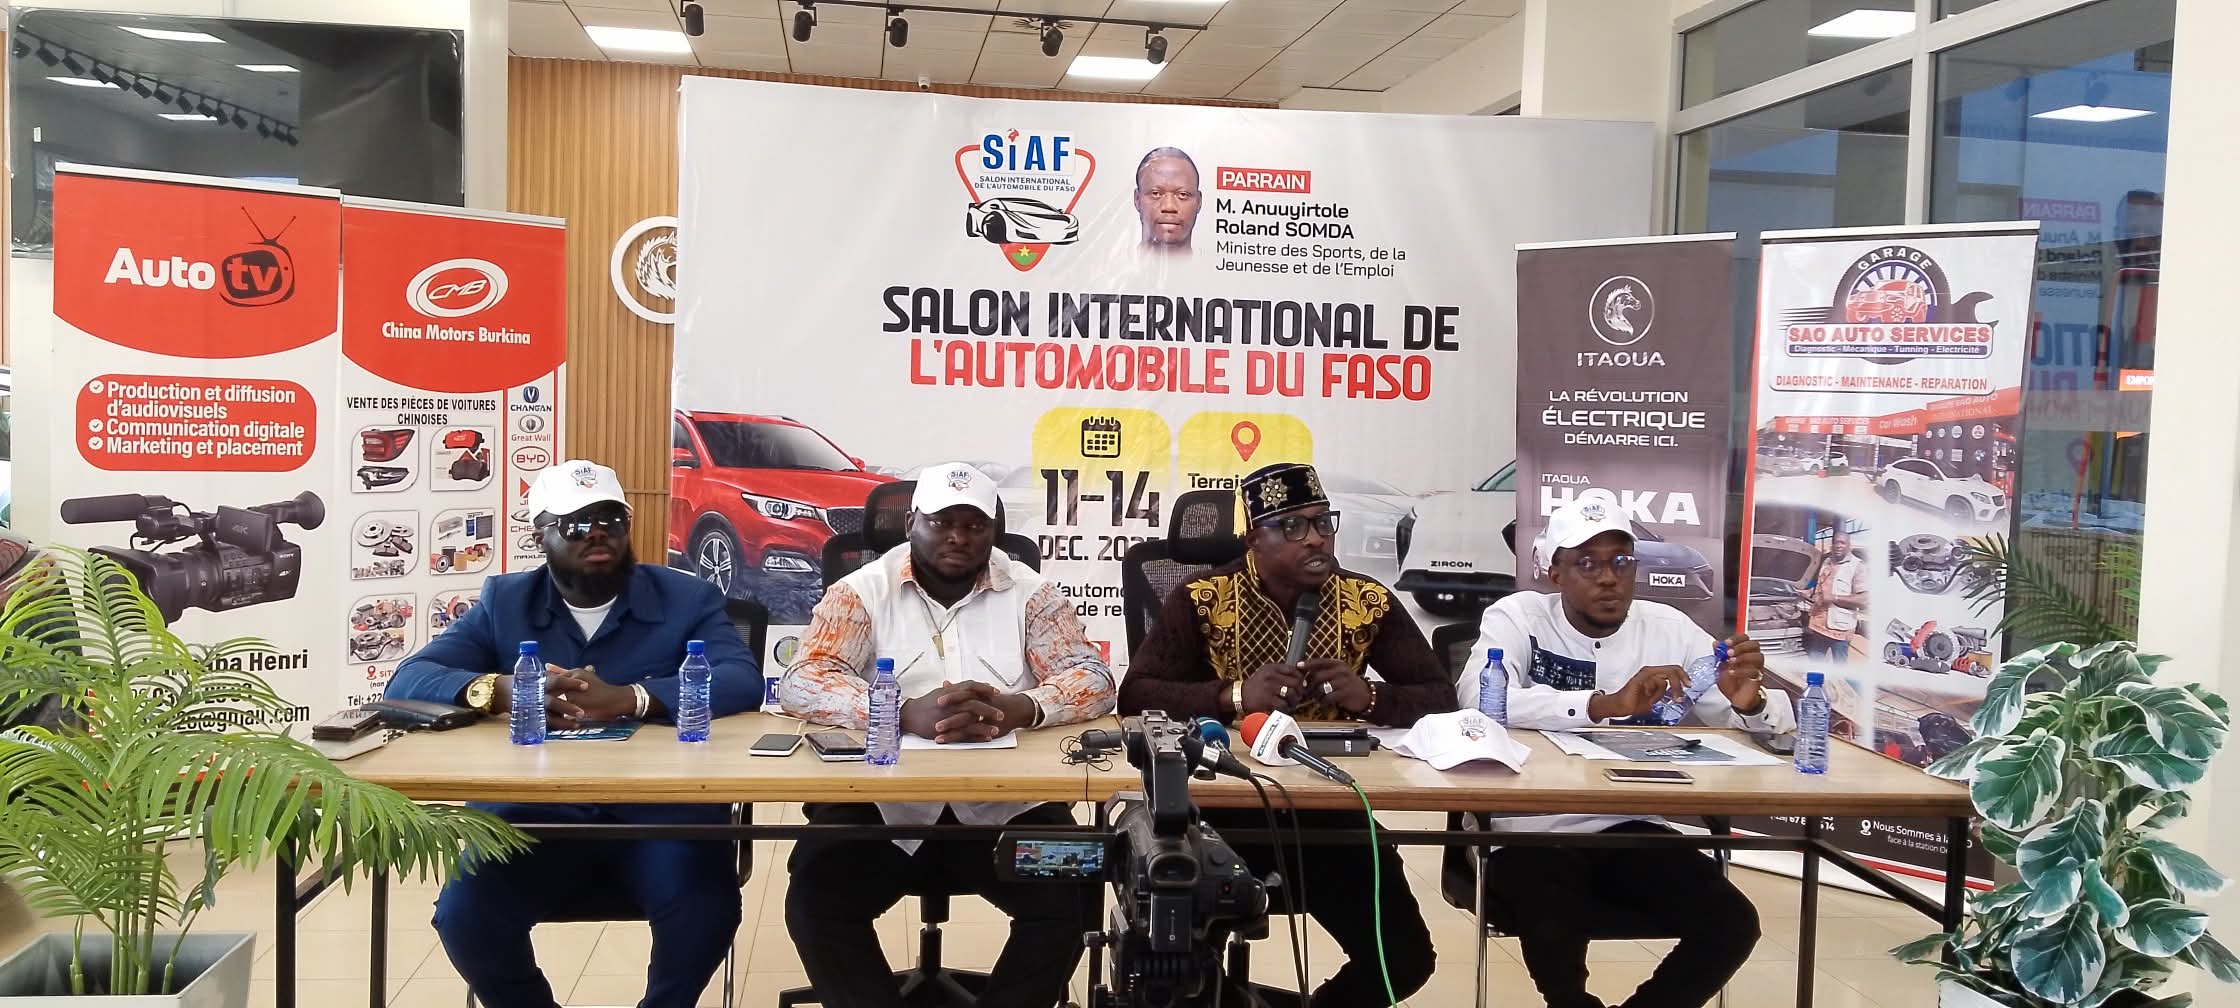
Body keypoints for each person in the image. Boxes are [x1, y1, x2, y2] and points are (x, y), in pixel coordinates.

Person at [384, 459, 759, 1008]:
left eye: (612, 520)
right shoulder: (505, 601)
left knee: (706, 911)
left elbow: (741, 679)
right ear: (540, 534)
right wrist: (499, 689)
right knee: (465, 916)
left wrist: (632, 697)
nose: (597, 534)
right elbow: (409, 678)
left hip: (661, 815)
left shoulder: (687, 598)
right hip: (533, 818)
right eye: (577, 524)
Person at [777, 463, 1115, 1008]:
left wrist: (1020, 707)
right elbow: (803, 680)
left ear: (993, 532)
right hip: (883, 808)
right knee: (817, 899)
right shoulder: (861, 591)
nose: (958, 537)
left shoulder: (1032, 594)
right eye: (941, 522)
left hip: (1008, 809)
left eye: (975, 525)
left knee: (1073, 896)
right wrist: (898, 711)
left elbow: (1092, 676)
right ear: (911, 523)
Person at [1122, 461, 1446, 1008]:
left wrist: (1369, 697)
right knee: (1177, 971)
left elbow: (1440, 697)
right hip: (1216, 813)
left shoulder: (1366, 601)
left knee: (1403, 961)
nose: (1316, 538)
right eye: (1293, 526)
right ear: (1254, 539)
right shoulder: (1203, 598)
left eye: (1322, 522)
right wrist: (1234, 696)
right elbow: (1136, 695)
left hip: (1330, 812)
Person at [1462, 495, 1796, 1008]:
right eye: (1587, 563)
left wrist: (1751, 703)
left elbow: (1768, 732)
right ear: (1555, 572)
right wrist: (1603, 704)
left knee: (1732, 922)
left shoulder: (1669, 628)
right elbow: (1480, 702)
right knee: (1554, 915)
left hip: (1630, 824)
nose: (1608, 578)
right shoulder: (1519, 616)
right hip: (1528, 828)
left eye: (1621, 561)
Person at [1803, 528, 1865, 665]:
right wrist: (1810, 592)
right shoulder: (1827, 561)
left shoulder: (1857, 566)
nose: (1838, 545)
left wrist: (1834, 598)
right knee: (1815, 665)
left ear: (1849, 545)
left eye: (1842, 543)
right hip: (1819, 625)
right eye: (1836, 542)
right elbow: (1822, 586)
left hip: (1840, 629)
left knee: (1839, 669)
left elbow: (1864, 599)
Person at [1134, 146, 1202, 250]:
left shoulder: (1215, 260)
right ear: (1137, 199)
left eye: (1182, 194)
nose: (1169, 207)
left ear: (1199, 202)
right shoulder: (1113, 259)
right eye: (1156, 193)